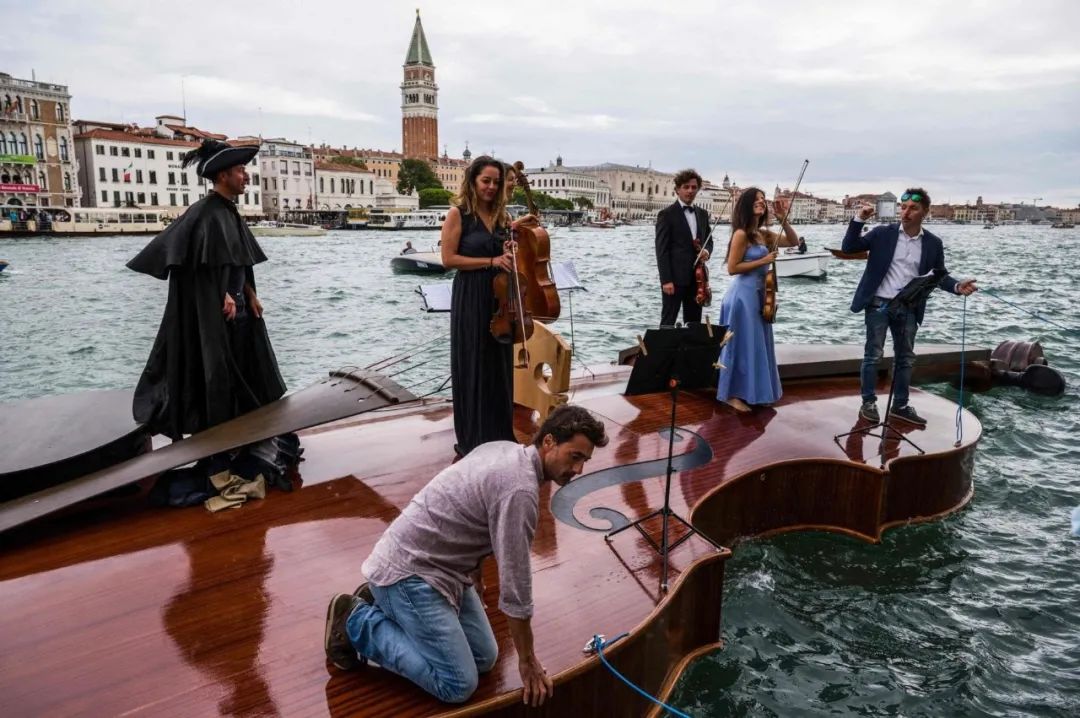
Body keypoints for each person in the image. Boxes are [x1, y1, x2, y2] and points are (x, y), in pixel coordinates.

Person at [323, 404, 609, 706]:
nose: (579, 470)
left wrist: (475, 577)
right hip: (409, 571)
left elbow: (471, 517)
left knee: (485, 657)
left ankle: (383, 600)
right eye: (575, 456)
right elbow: (516, 589)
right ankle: (356, 620)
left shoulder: (507, 450)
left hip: (442, 568)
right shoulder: (520, 491)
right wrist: (528, 661)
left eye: (585, 460)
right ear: (549, 441)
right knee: (458, 684)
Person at [127, 138, 286, 439]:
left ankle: (246, 427)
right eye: (241, 171)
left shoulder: (228, 211)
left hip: (240, 310)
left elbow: (238, 259)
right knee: (217, 369)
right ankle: (218, 433)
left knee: (244, 366)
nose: (247, 176)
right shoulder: (204, 212)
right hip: (216, 312)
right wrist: (220, 293)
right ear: (223, 175)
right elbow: (195, 266)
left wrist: (250, 294)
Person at [842, 188, 977, 426]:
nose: (905, 212)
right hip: (878, 304)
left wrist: (957, 286)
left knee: (905, 358)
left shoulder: (933, 243)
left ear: (925, 211)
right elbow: (849, 247)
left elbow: (939, 276)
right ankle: (868, 402)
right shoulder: (882, 233)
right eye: (903, 207)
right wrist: (860, 218)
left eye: (913, 208)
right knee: (873, 355)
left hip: (909, 307)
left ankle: (900, 406)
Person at [440, 156, 518, 457]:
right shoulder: (458, 214)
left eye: (496, 182)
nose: (491, 187)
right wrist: (492, 260)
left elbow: (505, 255)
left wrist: (509, 250)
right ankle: (473, 438)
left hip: (499, 297)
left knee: (498, 365)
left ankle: (500, 434)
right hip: (471, 294)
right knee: (474, 362)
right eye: (486, 180)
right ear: (473, 181)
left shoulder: (502, 216)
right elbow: (448, 260)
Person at [715, 188, 799, 413]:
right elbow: (733, 268)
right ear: (746, 204)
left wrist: (783, 219)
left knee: (755, 345)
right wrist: (764, 260)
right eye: (756, 199)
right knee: (738, 346)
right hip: (741, 297)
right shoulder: (741, 234)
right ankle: (730, 394)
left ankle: (754, 393)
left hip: (760, 296)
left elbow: (793, 242)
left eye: (763, 199)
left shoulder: (763, 234)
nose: (761, 202)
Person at [655, 169, 713, 327]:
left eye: (694, 187)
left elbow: (709, 240)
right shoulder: (666, 215)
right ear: (677, 190)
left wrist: (706, 251)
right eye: (686, 187)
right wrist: (666, 280)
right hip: (674, 280)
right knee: (668, 322)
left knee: (694, 323)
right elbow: (661, 250)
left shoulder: (702, 214)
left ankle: (691, 344)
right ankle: (663, 345)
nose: (690, 191)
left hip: (698, 279)